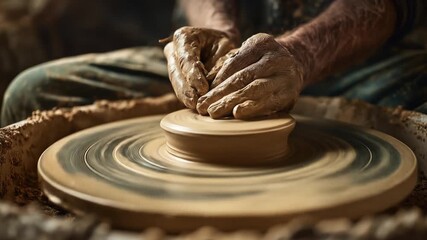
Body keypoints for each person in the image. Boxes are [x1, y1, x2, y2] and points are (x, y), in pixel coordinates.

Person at [1, 0, 426, 126]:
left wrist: (303, 54)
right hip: (227, 63)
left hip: (357, 61)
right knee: (34, 94)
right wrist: (220, 33)